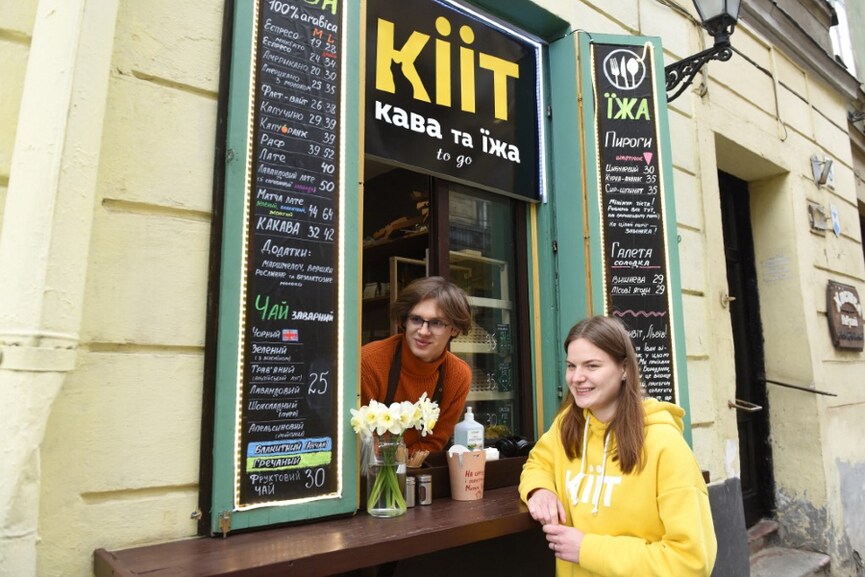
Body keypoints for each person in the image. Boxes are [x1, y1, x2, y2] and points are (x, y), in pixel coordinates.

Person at [519, 315, 717, 577]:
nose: (577, 377)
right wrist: (539, 489)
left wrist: (586, 549)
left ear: (624, 369)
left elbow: (691, 561)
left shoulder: (665, 446)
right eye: (571, 366)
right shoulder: (567, 425)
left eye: (591, 366)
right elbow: (538, 462)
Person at [361, 276, 473, 452]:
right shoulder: (369, 362)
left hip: (416, 472)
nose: (423, 331)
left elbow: (433, 443)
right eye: (416, 319)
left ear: (455, 328)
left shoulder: (458, 375)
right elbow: (361, 440)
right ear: (404, 320)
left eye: (436, 323)